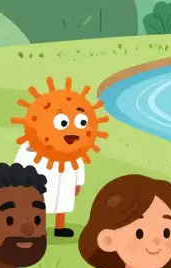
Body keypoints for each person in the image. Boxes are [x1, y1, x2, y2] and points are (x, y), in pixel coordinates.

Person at [12, 77, 109, 238]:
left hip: (65, 180)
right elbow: (21, 164)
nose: (71, 130)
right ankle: (38, 226)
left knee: (62, 202)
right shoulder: (31, 149)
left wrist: (78, 183)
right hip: (40, 180)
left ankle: (59, 227)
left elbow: (79, 165)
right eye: (63, 123)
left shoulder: (74, 153)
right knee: (38, 203)